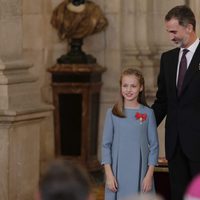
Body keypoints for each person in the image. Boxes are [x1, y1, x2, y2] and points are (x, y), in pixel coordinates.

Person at [152, 5, 200, 200]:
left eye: (174, 31)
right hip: (174, 146)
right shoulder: (168, 59)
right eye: (168, 32)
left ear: (189, 27)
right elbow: (162, 101)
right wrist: (142, 123)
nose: (171, 37)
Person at [101, 68, 159, 200]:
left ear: (141, 88)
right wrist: (109, 175)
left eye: (133, 86)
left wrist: (149, 176)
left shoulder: (148, 113)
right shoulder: (112, 113)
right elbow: (106, 146)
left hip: (141, 174)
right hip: (117, 173)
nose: (128, 90)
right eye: (125, 85)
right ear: (120, 87)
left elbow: (154, 146)